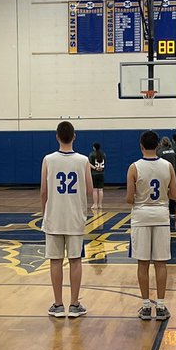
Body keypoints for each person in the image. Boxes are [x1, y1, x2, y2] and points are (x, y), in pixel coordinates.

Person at [41, 120, 92, 318]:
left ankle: (58, 304)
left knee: (55, 261)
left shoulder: (48, 160)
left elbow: (43, 192)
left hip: (54, 217)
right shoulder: (83, 160)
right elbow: (89, 189)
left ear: (57, 137)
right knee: (75, 260)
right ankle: (74, 304)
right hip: (74, 217)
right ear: (74, 136)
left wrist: (44, 213)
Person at [127, 130, 176, 321]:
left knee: (143, 263)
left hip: (141, 216)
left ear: (141, 146)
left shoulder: (134, 167)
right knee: (161, 263)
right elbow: (175, 195)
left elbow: (129, 198)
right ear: (157, 145)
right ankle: (162, 305)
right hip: (161, 216)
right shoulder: (167, 166)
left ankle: (146, 306)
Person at [159, 136, 176, 216]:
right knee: (172, 191)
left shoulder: (160, 152)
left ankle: (163, 208)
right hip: (172, 173)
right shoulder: (173, 151)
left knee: (163, 191)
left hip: (163, 174)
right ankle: (173, 209)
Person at [89, 142, 106, 211]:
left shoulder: (92, 154)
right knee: (101, 189)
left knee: (95, 190)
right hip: (101, 173)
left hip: (94, 174)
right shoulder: (103, 154)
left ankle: (95, 204)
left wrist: (95, 168)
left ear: (94, 147)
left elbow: (89, 164)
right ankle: (100, 204)